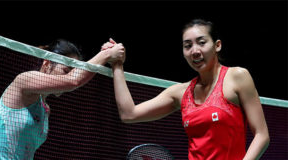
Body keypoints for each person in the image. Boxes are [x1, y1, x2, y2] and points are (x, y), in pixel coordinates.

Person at [107, 19, 270, 160]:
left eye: (201, 42)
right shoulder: (180, 93)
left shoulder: (237, 77)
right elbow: (129, 114)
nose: (195, 51)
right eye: (188, 46)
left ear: (217, 45)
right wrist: (117, 66)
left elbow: (262, 135)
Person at [0, 38, 125, 159]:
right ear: (47, 64)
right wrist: (105, 55)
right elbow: (73, 81)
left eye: (74, 71)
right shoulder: (24, 80)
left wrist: (105, 55)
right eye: (67, 70)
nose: (71, 74)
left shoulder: (45, 109)